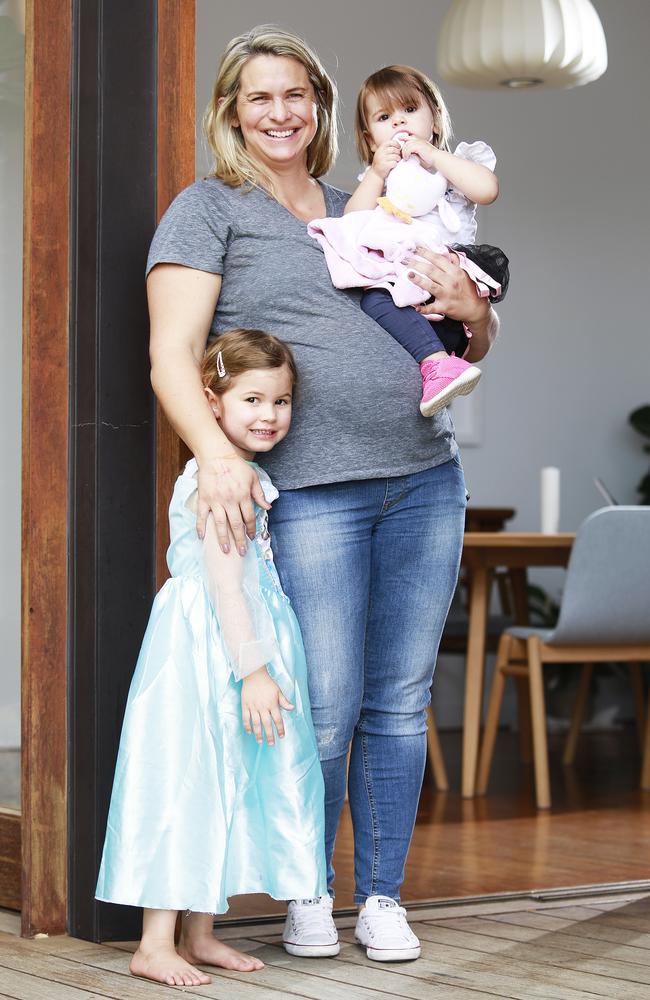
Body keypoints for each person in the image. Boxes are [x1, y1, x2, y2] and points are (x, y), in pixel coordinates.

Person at [145, 25, 499, 963]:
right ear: (231, 110)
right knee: (326, 700)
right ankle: (310, 887)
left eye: (296, 94)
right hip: (310, 489)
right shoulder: (209, 208)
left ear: (320, 107)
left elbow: (461, 349)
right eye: (259, 96)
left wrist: (474, 313)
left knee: (400, 697)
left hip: (426, 477)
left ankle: (382, 896)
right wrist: (216, 457)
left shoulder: (367, 204)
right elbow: (171, 354)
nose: (281, 112)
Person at [95, 329, 327, 987]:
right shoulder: (221, 478)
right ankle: (155, 942)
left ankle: (199, 933)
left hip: (236, 638)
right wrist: (253, 669)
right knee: (187, 779)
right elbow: (227, 583)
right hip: (213, 648)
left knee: (227, 779)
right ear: (211, 401)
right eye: (252, 398)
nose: (269, 415)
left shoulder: (242, 471)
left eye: (281, 401)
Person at [309, 64, 509, 417]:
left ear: (434, 121)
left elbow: (487, 189)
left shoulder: (449, 167)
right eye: (385, 117)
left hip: (445, 281)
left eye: (410, 110)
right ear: (371, 138)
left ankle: (438, 364)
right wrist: (375, 173)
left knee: (379, 302)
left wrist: (432, 155)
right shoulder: (383, 180)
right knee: (375, 300)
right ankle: (436, 365)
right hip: (407, 292)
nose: (399, 123)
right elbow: (352, 225)